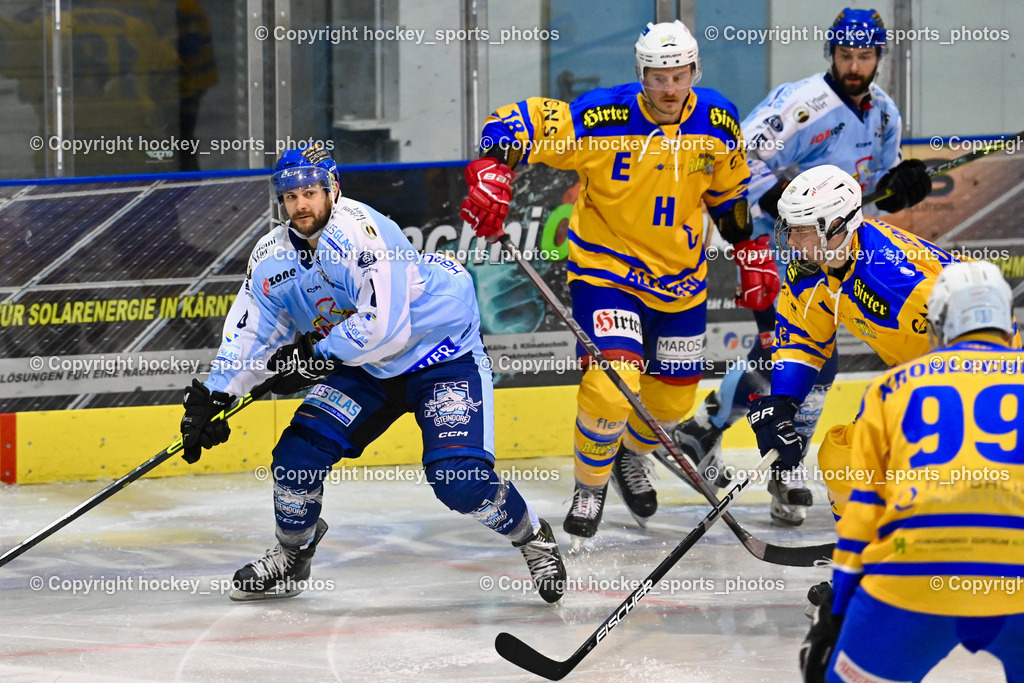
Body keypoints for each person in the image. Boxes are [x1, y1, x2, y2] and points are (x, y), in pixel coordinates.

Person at [179, 145, 567, 603]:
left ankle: (531, 535)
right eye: (290, 196)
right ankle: (293, 556)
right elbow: (253, 332)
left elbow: (384, 327)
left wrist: (315, 356)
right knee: (295, 459)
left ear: (332, 190)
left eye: (310, 192)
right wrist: (216, 393)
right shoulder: (271, 257)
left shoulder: (364, 234)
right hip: (362, 369)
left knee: (458, 478)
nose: (300, 205)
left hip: (439, 356)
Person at [460, 20, 780, 545]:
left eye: (680, 76)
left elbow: (728, 194)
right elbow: (523, 121)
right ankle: (589, 485)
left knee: (673, 404)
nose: (670, 89)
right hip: (606, 272)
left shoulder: (719, 119)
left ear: (694, 72)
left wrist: (749, 249)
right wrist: (494, 166)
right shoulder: (601, 115)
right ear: (642, 75)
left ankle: (631, 453)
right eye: (659, 77)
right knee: (613, 387)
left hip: (682, 283)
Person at [666, 7, 932, 525]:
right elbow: (738, 155)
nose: (854, 65)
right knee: (805, 358)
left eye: (865, 55)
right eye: (846, 54)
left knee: (797, 356)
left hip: (833, 247)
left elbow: (872, 189)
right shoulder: (803, 104)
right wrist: (791, 205)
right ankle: (771, 462)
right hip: (782, 245)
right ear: (831, 53)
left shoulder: (883, 113)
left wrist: (900, 187)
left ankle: (704, 433)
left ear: (879, 57)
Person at [800, 260, 1024, 683]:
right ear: (1007, 323)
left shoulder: (892, 387)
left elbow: (862, 514)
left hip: (913, 574)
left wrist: (837, 611)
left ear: (938, 325)